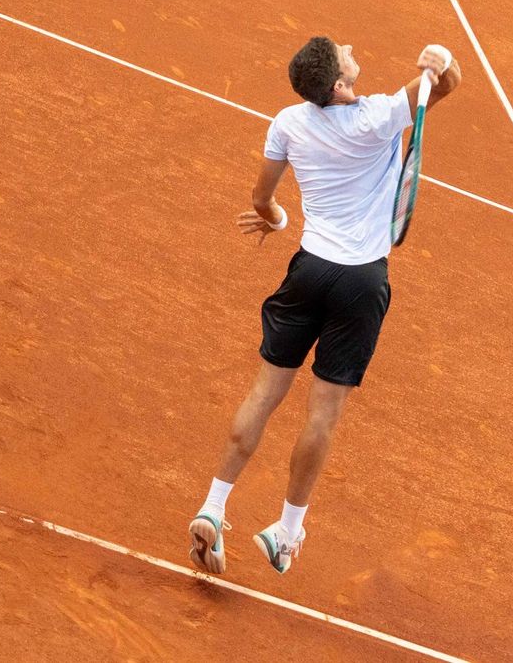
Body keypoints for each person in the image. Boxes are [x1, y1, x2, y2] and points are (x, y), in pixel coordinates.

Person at [188, 37, 463, 577]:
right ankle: (287, 532)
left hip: (308, 271)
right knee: (323, 413)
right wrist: (442, 62)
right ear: (338, 85)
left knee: (265, 392)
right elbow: (445, 86)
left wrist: (279, 221)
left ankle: (213, 507)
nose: (351, 47)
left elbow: (261, 200)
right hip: (361, 283)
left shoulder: (289, 122)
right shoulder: (379, 117)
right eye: (343, 54)